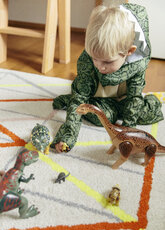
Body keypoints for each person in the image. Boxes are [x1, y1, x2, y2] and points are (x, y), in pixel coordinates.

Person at [50, 3, 164, 153]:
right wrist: (67, 137)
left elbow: (134, 97)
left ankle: (117, 109)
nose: (100, 66)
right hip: (101, 97)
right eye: (95, 59)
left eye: (107, 62)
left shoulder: (138, 61)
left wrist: (128, 134)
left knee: (151, 113)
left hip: (123, 98)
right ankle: (71, 100)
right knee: (102, 118)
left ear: (129, 51)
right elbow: (80, 98)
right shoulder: (88, 60)